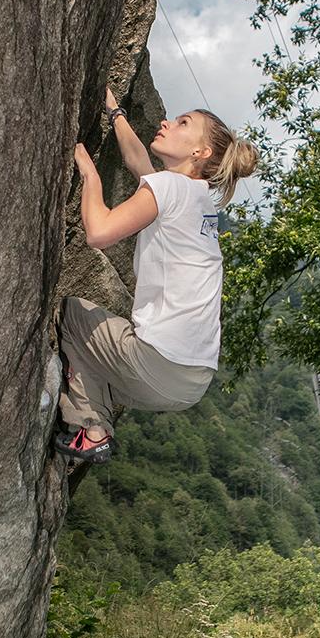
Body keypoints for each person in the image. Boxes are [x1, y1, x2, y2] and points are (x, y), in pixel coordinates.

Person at [54, 87, 259, 463]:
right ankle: (93, 426)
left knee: (72, 314)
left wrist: (90, 175)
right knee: (101, 363)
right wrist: (114, 112)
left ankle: (92, 428)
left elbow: (99, 232)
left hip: (158, 363)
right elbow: (138, 164)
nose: (167, 122)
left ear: (200, 153)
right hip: (191, 383)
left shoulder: (171, 189)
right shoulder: (197, 200)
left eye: (183, 123)